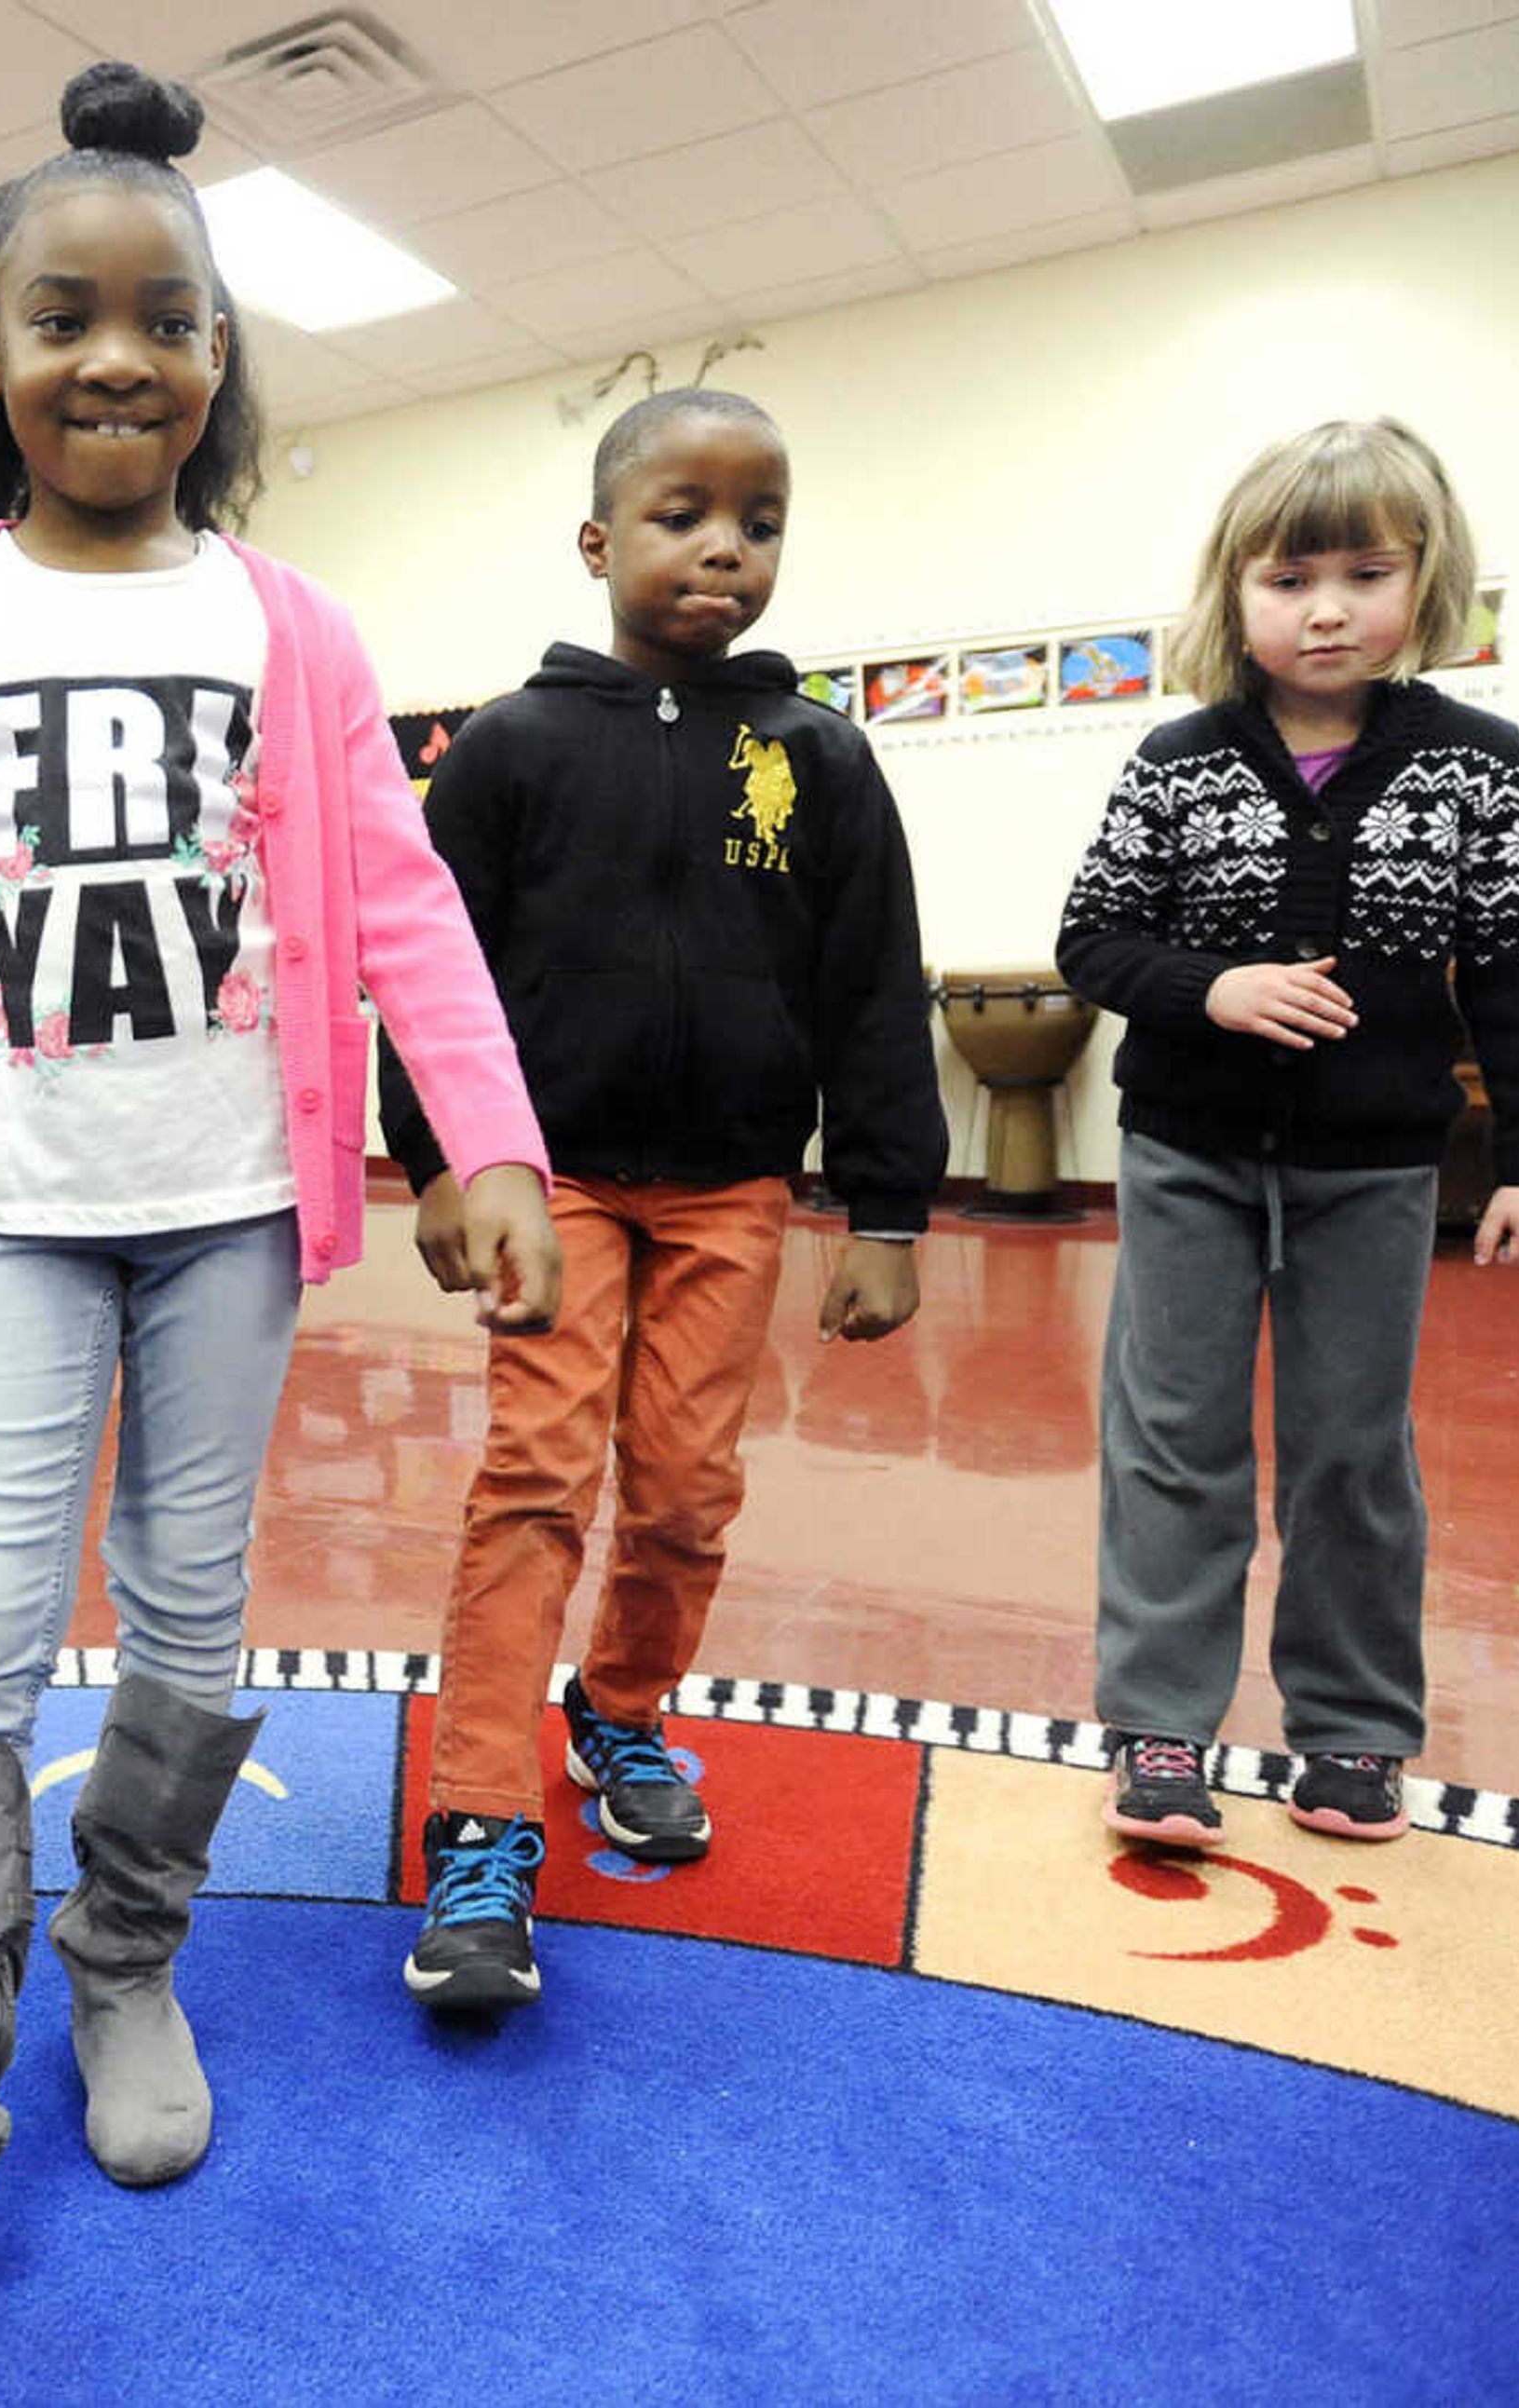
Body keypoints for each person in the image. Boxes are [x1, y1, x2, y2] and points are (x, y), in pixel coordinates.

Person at [0, 64, 559, 2314]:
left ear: (218, 360)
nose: (120, 355)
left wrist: (479, 1137)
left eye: (169, 319)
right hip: (4, 1206)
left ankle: (120, 1962)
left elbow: (397, 905)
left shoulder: (292, 628)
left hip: (228, 1213)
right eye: (65, 317)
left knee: (191, 1608)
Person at [377, 388, 947, 2014]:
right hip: (545, 1180)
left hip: (731, 1189)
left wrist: (888, 1208)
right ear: (598, 540)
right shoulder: (508, 744)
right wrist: (436, 1157)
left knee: (689, 1483)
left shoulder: (819, 754)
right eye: (684, 514)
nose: (723, 549)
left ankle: (621, 1713)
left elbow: (871, 985)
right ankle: (481, 1821)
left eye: (758, 523)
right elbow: (433, 966)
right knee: (537, 1473)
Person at [1057, 416, 1519, 1850]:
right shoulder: (1177, 759)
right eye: (1290, 577)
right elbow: (1093, 939)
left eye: (1366, 571)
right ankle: (1161, 1726)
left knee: (1352, 1448)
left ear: (1428, 583)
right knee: (1174, 1435)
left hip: (1376, 1168)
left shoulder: (1481, 764)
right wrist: (1208, 985)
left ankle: (1351, 1734)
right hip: (1185, 1153)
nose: (1328, 606)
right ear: (1236, 593)